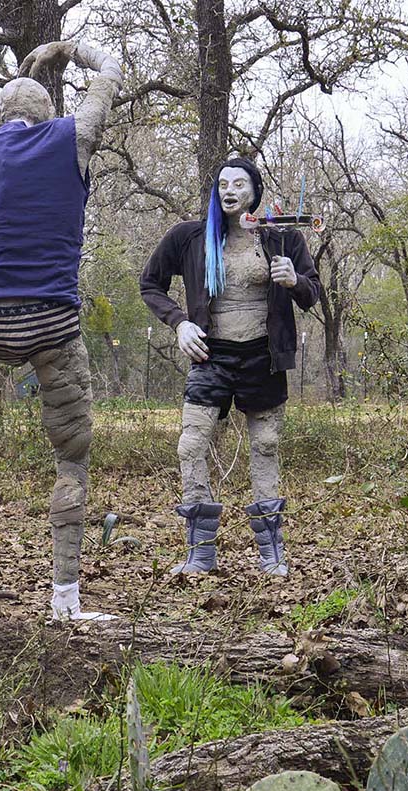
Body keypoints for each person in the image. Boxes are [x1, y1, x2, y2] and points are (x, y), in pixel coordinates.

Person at [0, 38, 122, 622]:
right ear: (50, 115)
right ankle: (65, 603)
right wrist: (73, 49)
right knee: (71, 460)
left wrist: (25, 74)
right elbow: (111, 74)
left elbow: (10, 127)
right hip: (48, 319)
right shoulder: (71, 141)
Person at [140, 158, 321, 577]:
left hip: (264, 355)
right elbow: (150, 283)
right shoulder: (190, 237)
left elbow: (312, 294)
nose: (229, 190)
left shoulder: (281, 237)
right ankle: (200, 552)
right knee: (191, 444)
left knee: (266, 446)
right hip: (210, 354)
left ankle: (271, 553)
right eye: (223, 183)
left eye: (239, 183)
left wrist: (294, 280)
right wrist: (179, 321)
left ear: (255, 191)